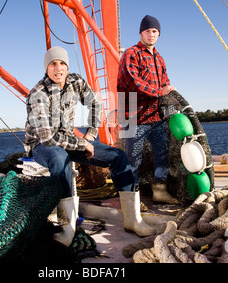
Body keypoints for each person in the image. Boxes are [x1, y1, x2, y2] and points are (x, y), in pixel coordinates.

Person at [24, 46, 157, 247]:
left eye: (62, 63)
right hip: (42, 145)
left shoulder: (75, 82)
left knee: (118, 156)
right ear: (47, 68)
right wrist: (82, 143)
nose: (58, 68)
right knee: (60, 157)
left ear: (67, 66)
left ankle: (133, 220)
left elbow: (95, 102)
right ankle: (66, 228)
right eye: (53, 64)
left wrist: (91, 134)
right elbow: (49, 138)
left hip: (68, 139)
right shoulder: (38, 93)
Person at [117, 15, 178, 204]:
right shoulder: (131, 53)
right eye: (147, 31)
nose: (151, 34)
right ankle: (132, 199)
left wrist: (169, 93)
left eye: (154, 31)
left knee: (162, 152)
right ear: (140, 33)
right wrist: (160, 92)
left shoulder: (159, 58)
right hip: (132, 117)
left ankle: (159, 190)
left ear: (158, 34)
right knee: (133, 159)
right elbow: (133, 82)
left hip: (154, 116)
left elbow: (165, 84)